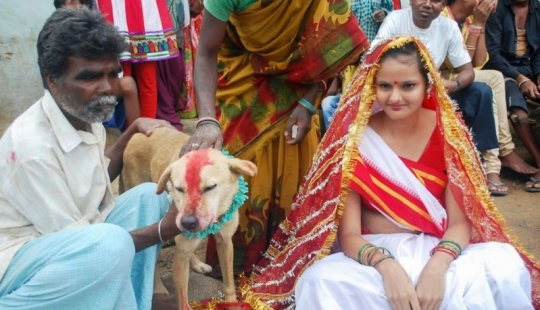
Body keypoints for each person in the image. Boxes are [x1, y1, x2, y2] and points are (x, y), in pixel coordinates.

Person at [239, 36, 539, 310]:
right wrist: (388, 268)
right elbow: (349, 234)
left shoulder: (448, 133)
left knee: (506, 267)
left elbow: (460, 224)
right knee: (318, 281)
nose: (395, 97)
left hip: (440, 249)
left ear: (427, 85)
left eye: (407, 85)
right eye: (385, 86)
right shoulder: (355, 140)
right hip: (373, 256)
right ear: (372, 86)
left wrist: (437, 268)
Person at [0, 9, 180, 310]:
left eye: (113, 73)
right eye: (90, 77)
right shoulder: (31, 149)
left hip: (75, 239)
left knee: (150, 196)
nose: (109, 88)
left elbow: (92, 179)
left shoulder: (83, 114)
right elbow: (86, 246)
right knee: (111, 244)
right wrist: (166, 228)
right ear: (53, 80)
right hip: (19, 263)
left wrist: (131, 132)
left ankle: (132, 302)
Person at [180, 0, 370, 274]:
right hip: (243, 87)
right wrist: (207, 120)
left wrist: (308, 103)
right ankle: (235, 267)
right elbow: (207, 53)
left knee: (294, 172)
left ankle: (292, 267)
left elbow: (329, 47)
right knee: (238, 176)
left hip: (298, 93)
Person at [371, 0, 499, 164]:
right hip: (401, 94)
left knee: (481, 91)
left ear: (443, 4)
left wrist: (455, 84)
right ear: (411, 1)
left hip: (433, 93)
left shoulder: (448, 27)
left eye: (435, 1)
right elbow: (374, 58)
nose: (427, 4)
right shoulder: (395, 20)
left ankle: (482, 164)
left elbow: (467, 71)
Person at [440, 0, 537, 195]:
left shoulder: (470, 20)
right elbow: (461, 65)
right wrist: (477, 23)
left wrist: (480, 23)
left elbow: (476, 62)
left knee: (494, 77)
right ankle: (496, 163)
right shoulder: (442, 17)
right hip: (439, 78)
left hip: (458, 76)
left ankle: (503, 153)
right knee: (491, 81)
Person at [95, 0, 183, 130]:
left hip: (140, 9)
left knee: (142, 77)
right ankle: (130, 133)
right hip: (120, 9)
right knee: (122, 77)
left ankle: (145, 132)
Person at [484, 0, 540, 192]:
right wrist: (520, 79)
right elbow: (493, 54)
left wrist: (538, 75)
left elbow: (539, 51)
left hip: (530, 69)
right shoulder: (497, 9)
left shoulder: (537, 8)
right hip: (503, 73)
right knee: (519, 114)